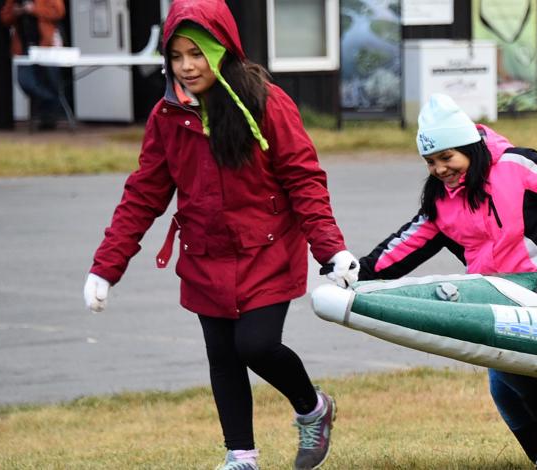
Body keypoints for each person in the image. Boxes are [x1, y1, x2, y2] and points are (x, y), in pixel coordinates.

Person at [81, 1, 359, 469]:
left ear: (222, 50)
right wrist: (106, 266)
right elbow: (143, 195)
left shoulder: (268, 103)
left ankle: (313, 408)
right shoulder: (167, 116)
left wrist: (329, 248)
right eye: (177, 56)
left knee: (254, 345)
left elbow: (303, 177)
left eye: (198, 53)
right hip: (205, 254)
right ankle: (241, 456)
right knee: (223, 356)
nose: (187, 67)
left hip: (267, 249)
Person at [357, 93, 537, 469]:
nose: (440, 169)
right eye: (431, 162)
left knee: (506, 364)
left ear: (470, 148)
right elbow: (405, 245)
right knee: (500, 387)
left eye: (447, 158)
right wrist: (358, 274)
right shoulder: (441, 200)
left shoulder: (515, 165)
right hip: (490, 290)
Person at [0, 0, 66, 130]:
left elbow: (58, 12)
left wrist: (34, 9)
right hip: (24, 48)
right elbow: (4, 17)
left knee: (52, 80)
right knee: (25, 81)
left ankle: (48, 119)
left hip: (47, 46)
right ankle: (55, 102)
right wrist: (15, 12)